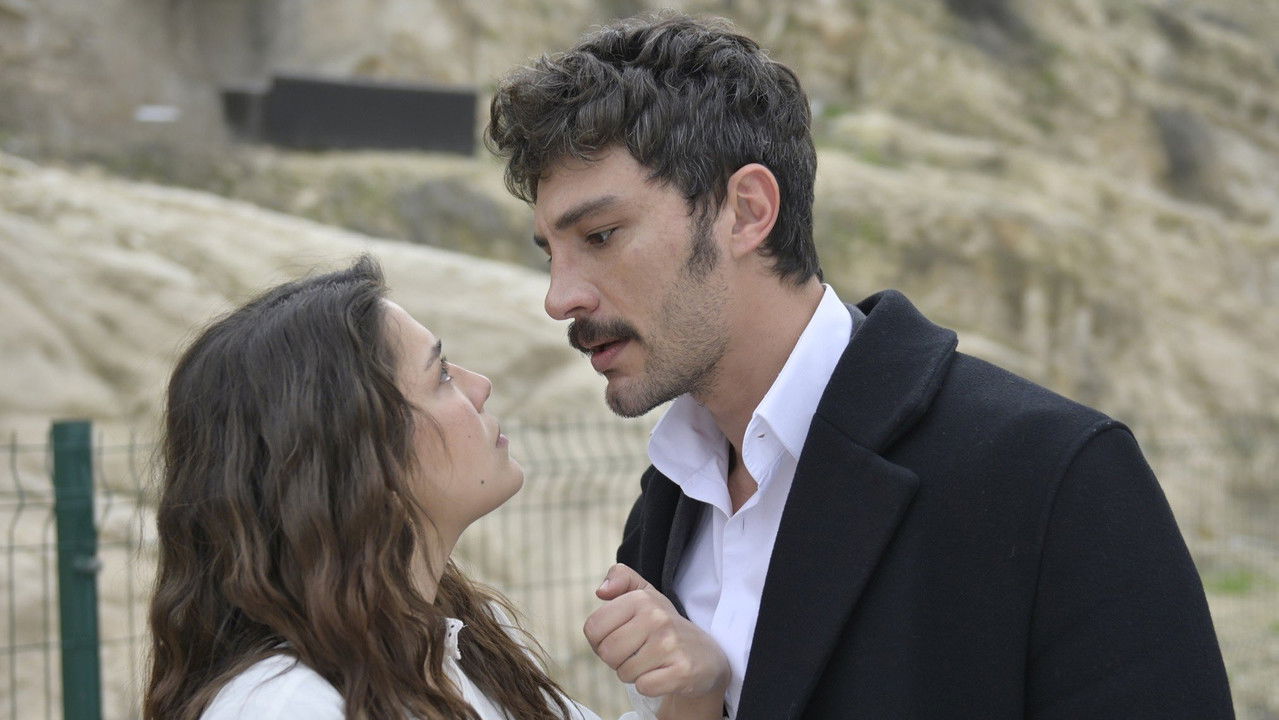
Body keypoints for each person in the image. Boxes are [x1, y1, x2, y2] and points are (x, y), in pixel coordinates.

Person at [486, 12, 1235, 720]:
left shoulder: (1050, 471)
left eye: (601, 235)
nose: (559, 298)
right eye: (551, 253)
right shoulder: (668, 501)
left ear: (747, 211)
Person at [143, 256, 727, 720]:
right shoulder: (287, 707)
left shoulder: (459, 652)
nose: (480, 386)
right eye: (441, 375)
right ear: (359, 451)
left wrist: (693, 692)